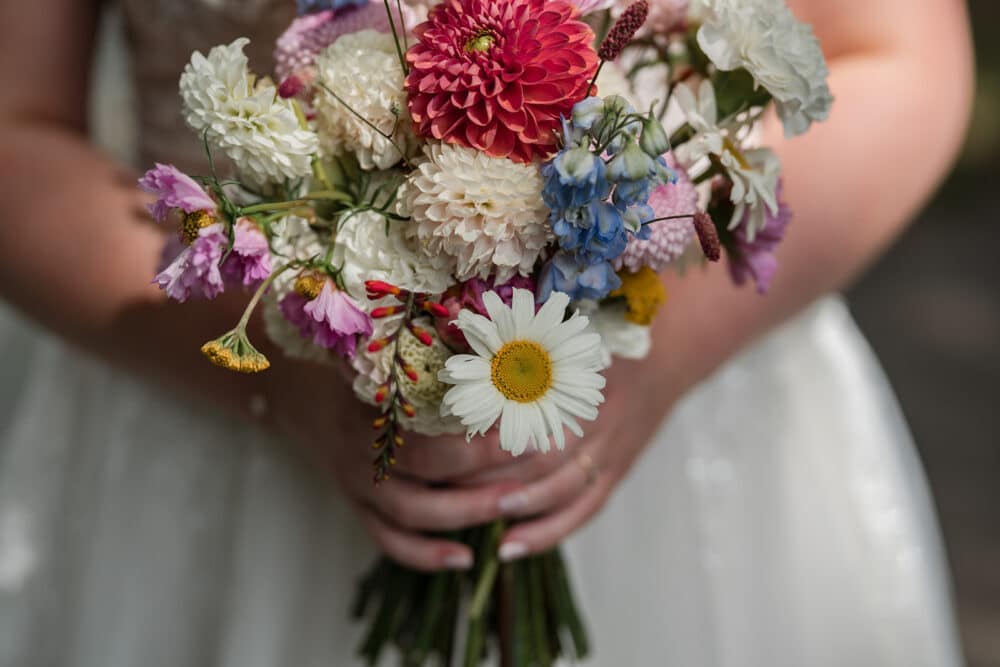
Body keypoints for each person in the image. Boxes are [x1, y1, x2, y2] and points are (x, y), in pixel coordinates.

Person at [0, 0, 974, 665]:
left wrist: (661, 350)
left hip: (688, 407)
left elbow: (899, 53)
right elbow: (16, 123)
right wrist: (275, 380)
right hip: (206, 403)